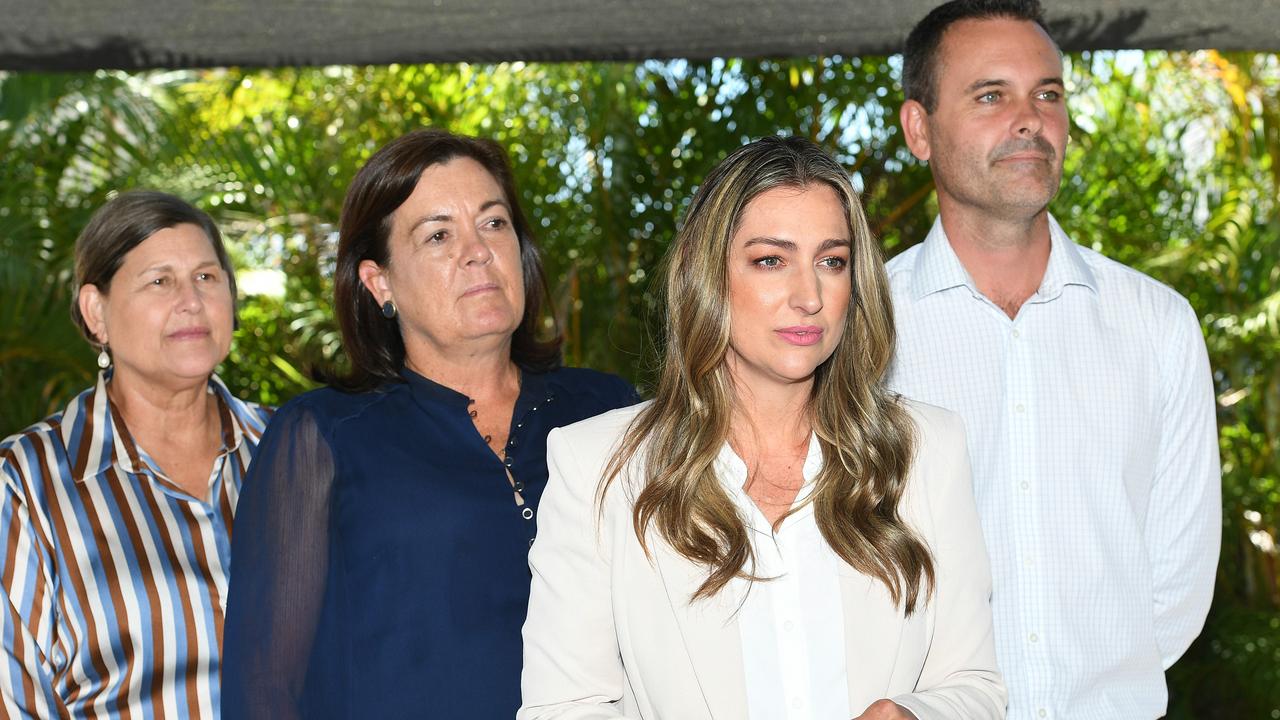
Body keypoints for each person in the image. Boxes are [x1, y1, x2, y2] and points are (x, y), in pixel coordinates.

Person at [519, 136, 1005, 720]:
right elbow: (565, 708)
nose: (809, 296)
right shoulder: (597, 466)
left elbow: (973, 685)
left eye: (832, 261)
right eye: (771, 260)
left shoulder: (928, 449)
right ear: (709, 276)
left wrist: (914, 716)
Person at [219, 128, 637, 719]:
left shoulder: (610, 411)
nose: (478, 251)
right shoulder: (321, 436)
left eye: (493, 223)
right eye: (438, 235)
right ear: (379, 282)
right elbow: (264, 690)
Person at [886, 2, 1222, 717]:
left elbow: (1177, 580)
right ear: (919, 129)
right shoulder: (860, 326)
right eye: (990, 95)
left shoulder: (1156, 325)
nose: (1030, 119)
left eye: (1048, 94)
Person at [0, 191, 272, 718]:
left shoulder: (294, 449)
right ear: (95, 312)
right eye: (159, 281)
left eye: (207, 278)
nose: (191, 300)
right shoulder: (23, 485)